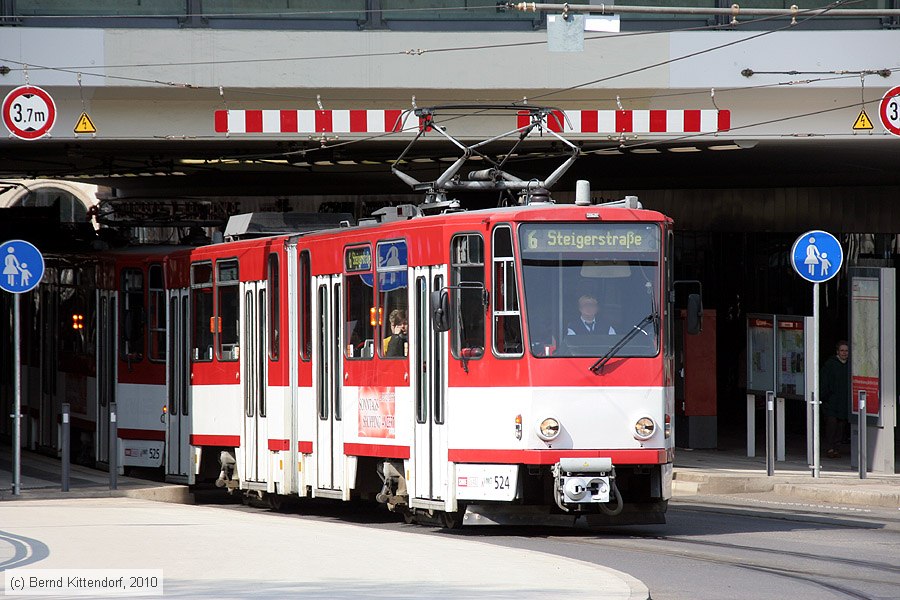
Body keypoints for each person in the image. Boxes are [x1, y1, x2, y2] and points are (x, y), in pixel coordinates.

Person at [820, 340, 849, 458]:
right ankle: (830, 448)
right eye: (842, 350)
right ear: (837, 351)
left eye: (846, 351)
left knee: (841, 425)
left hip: (844, 402)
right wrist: (825, 398)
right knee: (831, 424)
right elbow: (824, 383)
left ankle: (837, 448)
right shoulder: (830, 364)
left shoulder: (851, 365)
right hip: (831, 401)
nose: (844, 353)